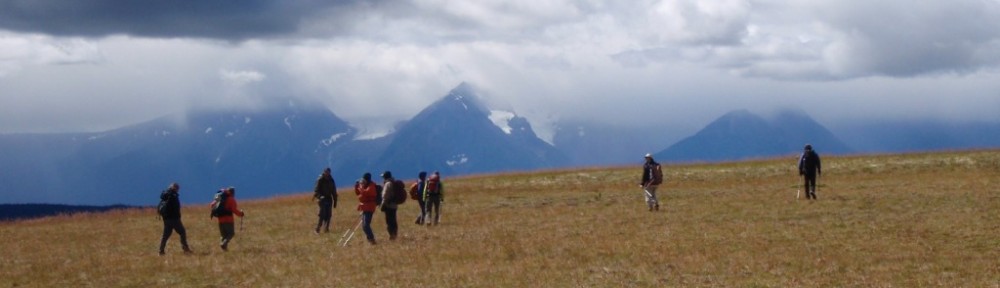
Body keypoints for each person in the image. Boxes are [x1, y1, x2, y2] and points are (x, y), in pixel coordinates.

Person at [158, 182, 192, 255]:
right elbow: (175, 208)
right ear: (175, 188)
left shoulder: (165, 195)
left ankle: (161, 251)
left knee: (165, 235)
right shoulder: (173, 195)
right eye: (177, 188)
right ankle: (185, 248)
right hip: (174, 219)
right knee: (182, 232)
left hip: (166, 219)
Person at [210, 187, 245, 251]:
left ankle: (224, 248)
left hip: (220, 219)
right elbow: (234, 210)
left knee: (223, 235)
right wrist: (241, 214)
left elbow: (212, 205)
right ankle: (224, 244)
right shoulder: (231, 200)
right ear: (233, 193)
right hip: (228, 220)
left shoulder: (220, 198)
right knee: (231, 234)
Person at [354, 173, 379, 245]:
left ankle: (372, 239)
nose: (363, 181)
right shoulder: (365, 185)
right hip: (364, 207)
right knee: (364, 225)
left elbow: (368, 193)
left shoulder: (372, 186)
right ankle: (370, 239)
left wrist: (361, 188)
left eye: (364, 180)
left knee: (366, 225)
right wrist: (356, 186)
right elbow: (358, 193)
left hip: (370, 207)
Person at [312, 167, 338, 234]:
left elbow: (334, 191)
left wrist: (335, 201)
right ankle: (317, 229)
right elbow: (316, 190)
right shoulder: (320, 180)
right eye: (326, 172)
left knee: (328, 215)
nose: (327, 173)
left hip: (329, 199)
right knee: (322, 214)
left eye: (328, 172)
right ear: (324, 172)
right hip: (322, 200)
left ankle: (326, 229)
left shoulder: (331, 180)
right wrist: (320, 196)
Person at [380, 171, 400, 240]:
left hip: (388, 205)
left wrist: (383, 204)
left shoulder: (387, 184)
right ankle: (395, 234)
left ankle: (392, 235)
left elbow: (385, 195)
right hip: (394, 205)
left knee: (389, 221)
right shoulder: (393, 182)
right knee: (394, 220)